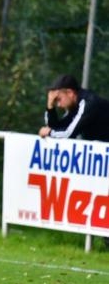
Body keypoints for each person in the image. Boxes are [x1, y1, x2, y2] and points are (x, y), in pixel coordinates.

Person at [38, 74, 109, 249]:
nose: (58, 104)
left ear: (70, 93)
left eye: (59, 99)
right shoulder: (75, 107)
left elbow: (68, 133)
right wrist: (49, 107)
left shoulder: (88, 103)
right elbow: (57, 126)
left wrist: (50, 134)